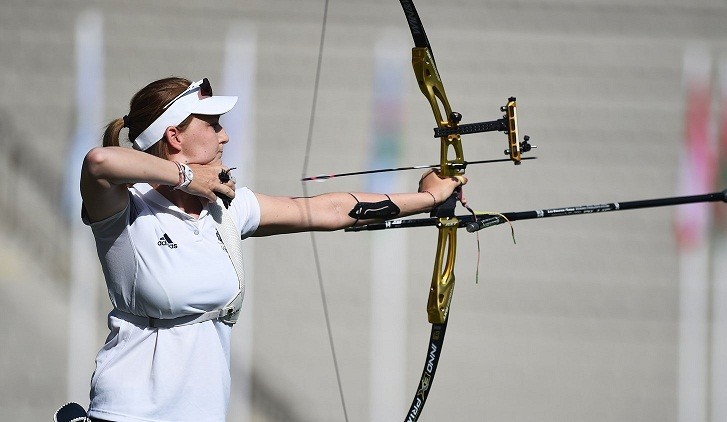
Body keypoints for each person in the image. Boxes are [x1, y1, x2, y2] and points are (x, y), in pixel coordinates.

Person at [78, 76, 467, 422]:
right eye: (213, 125)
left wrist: (430, 198)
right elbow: (99, 162)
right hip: (126, 413)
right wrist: (187, 177)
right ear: (175, 137)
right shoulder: (127, 207)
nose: (224, 136)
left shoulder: (228, 208)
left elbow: (329, 210)